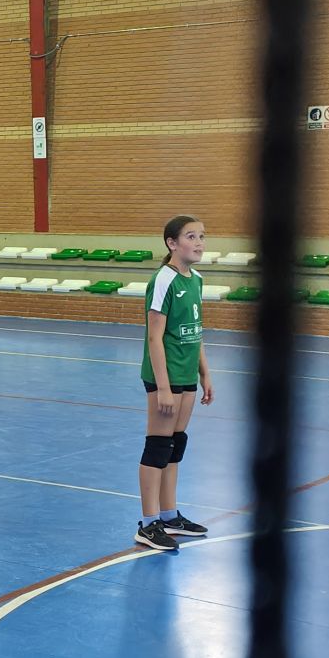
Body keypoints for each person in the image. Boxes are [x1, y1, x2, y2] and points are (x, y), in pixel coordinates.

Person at [135, 215, 214, 553]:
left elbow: (195, 332)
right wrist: (163, 387)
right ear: (171, 243)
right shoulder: (164, 280)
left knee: (174, 445)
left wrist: (205, 372)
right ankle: (149, 523)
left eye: (201, 236)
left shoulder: (195, 279)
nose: (199, 243)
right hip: (163, 377)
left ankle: (169, 515)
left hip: (186, 374)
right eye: (190, 236)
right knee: (157, 446)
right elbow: (155, 338)